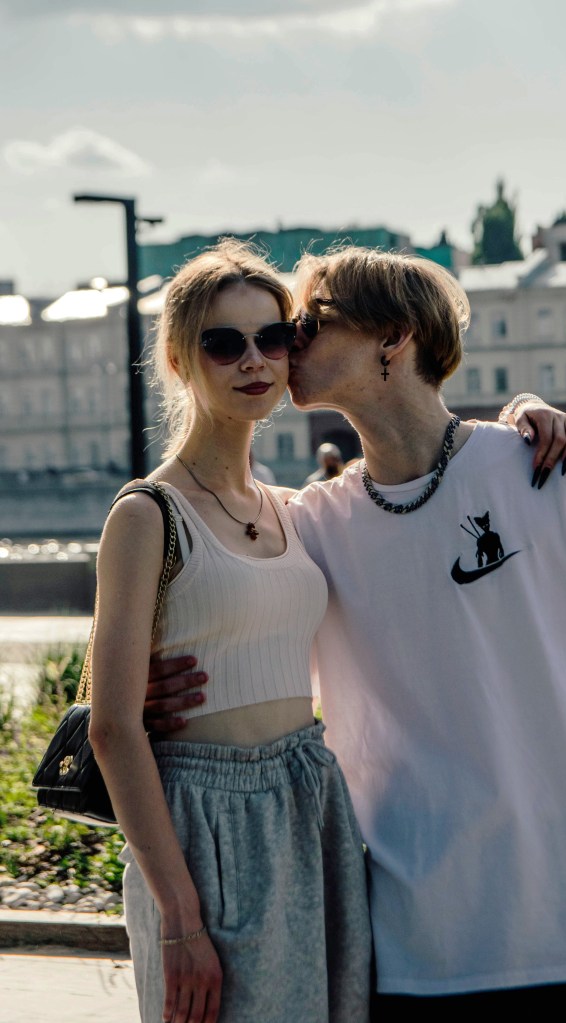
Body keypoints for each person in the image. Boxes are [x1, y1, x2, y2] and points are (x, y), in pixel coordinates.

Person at [146, 246, 566, 1023]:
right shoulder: (305, 527)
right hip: (419, 948)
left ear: (394, 337)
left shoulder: (556, 465)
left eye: (308, 324)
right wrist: (143, 690)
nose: (286, 345)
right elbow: (214, 609)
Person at [89, 240, 371, 1023]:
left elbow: (421, 467)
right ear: (181, 360)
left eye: (272, 337)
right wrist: (179, 917)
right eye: (223, 343)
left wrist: (525, 416)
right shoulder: (147, 514)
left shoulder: (295, 507)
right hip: (203, 822)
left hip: (309, 802)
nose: (253, 360)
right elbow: (112, 727)